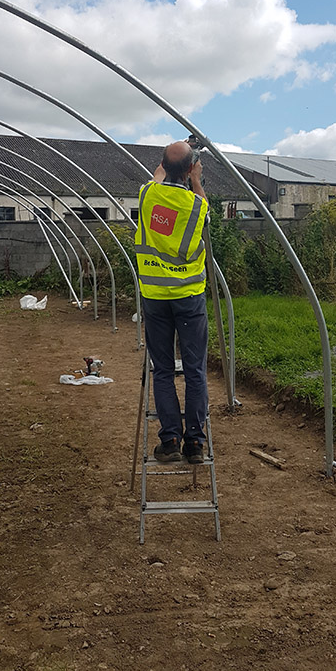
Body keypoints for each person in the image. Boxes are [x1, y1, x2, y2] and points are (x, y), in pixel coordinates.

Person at [134, 139, 209, 464]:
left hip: (155, 296)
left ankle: (170, 440)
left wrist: (180, 153)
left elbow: (159, 173)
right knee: (194, 370)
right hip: (189, 297)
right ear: (191, 169)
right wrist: (196, 178)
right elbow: (201, 204)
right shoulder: (196, 205)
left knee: (163, 370)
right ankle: (194, 443)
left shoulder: (148, 194)